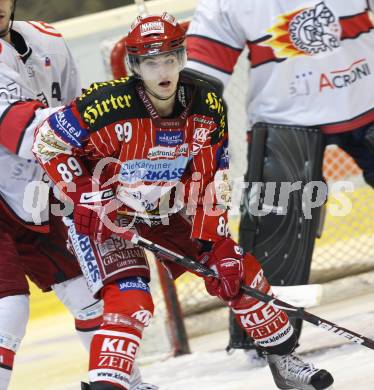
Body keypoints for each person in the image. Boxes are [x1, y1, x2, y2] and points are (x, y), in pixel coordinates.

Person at [33, 12, 334, 390]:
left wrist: (216, 242)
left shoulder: (207, 105)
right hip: (107, 215)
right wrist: (83, 196)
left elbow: (210, 177)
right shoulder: (105, 106)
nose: (163, 70)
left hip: (168, 209)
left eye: (170, 59)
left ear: (182, 58)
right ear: (135, 66)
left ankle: (284, 359)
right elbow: (47, 141)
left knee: (237, 269)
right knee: (132, 301)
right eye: (151, 62)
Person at [185, 0, 374, 358]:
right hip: (284, 117)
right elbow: (201, 80)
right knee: (275, 229)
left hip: (367, 99)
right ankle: (266, 336)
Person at [0, 1, 154, 389]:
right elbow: (25, 132)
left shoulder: (47, 42)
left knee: (90, 294)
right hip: (17, 183)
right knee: (8, 307)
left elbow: (73, 108)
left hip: (35, 190)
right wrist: (114, 117)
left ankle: (125, 381)